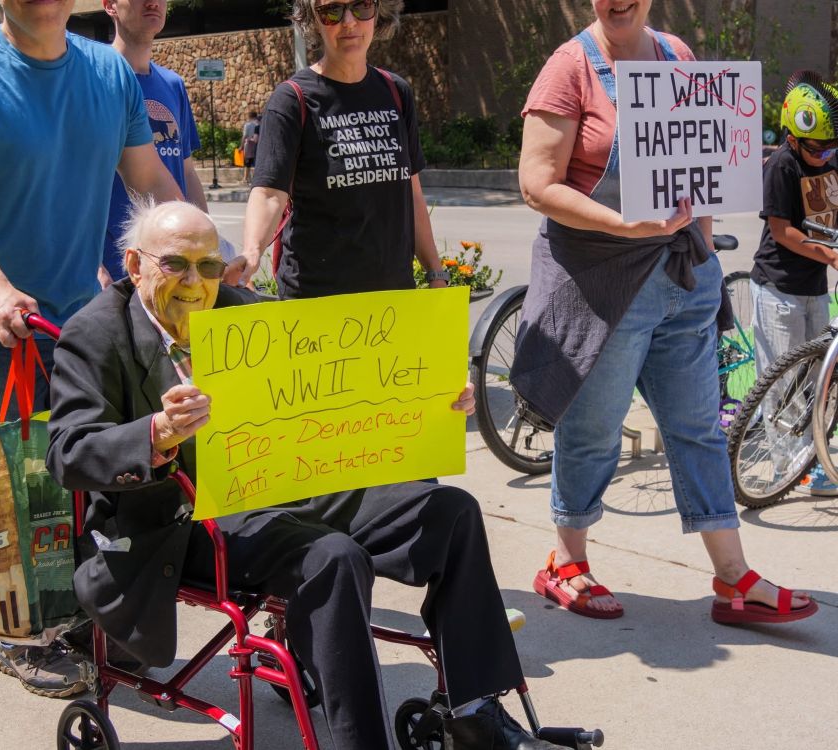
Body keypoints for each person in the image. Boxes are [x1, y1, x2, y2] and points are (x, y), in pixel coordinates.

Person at [46, 199, 568, 750]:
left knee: (451, 513)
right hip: (185, 519)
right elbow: (69, 451)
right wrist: (155, 433)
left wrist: (434, 399)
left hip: (287, 486)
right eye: (175, 264)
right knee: (333, 557)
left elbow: (340, 386)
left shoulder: (240, 307)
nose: (195, 282)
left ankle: (474, 711)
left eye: (208, 266)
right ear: (135, 265)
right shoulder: (97, 334)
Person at [0, 0, 184, 698]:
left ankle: (92, 614)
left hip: (78, 321)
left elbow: (148, 178)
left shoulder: (106, 74)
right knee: (14, 485)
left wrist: (201, 251)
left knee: (95, 471)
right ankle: (22, 633)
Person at [513, 0, 818, 625]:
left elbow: (700, 167)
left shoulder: (677, 56)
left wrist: (704, 258)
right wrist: (624, 225)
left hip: (682, 277)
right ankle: (565, 563)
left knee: (698, 427)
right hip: (603, 284)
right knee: (593, 430)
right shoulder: (569, 68)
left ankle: (733, 578)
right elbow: (536, 184)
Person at [230, 0, 449, 297]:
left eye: (361, 7)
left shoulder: (396, 92)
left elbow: (411, 193)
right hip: (317, 300)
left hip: (393, 296)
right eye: (332, 11)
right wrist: (252, 252)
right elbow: (270, 192)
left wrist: (434, 271)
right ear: (314, 21)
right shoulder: (292, 100)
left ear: (377, 12)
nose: (349, 22)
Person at [750, 70, 838, 496]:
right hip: (778, 287)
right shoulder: (782, 166)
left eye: (831, 147)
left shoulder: (831, 160)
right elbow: (783, 232)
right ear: (792, 136)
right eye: (817, 148)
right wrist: (832, 254)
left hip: (815, 288)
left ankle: (812, 455)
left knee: (814, 379)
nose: (824, 155)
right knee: (781, 380)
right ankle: (790, 467)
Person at [100, 0, 208, 285]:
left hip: (171, 266)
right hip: (111, 269)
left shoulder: (173, 84)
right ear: (109, 5)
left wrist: (209, 244)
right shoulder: (93, 77)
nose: (152, 2)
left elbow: (185, 172)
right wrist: (92, 264)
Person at [241, 110, 259, 184]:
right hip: (257, 145)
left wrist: (241, 146)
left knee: (247, 162)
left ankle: (245, 179)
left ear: (249, 116)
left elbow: (244, 136)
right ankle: (253, 178)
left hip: (248, 145)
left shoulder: (247, 125)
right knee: (255, 162)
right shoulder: (258, 124)